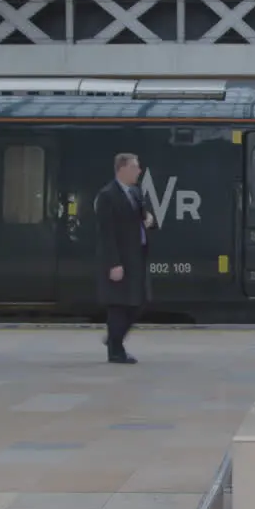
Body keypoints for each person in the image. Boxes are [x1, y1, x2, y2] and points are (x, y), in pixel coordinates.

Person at [93, 153, 157, 364]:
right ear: (122, 169)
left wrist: (148, 219)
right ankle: (116, 350)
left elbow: (142, 216)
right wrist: (114, 263)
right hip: (120, 259)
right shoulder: (107, 196)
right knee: (119, 305)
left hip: (137, 256)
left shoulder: (136, 192)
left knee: (139, 302)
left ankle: (114, 337)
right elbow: (106, 233)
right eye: (135, 167)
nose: (139, 171)